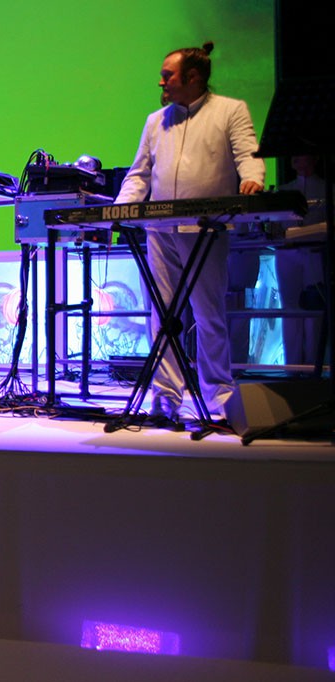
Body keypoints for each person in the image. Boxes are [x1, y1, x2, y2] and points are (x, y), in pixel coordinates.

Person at [114, 42, 266, 428]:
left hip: (205, 228)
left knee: (208, 313)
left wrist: (253, 179)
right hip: (160, 230)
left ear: (193, 77)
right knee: (162, 315)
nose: (161, 82)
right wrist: (120, 208)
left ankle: (219, 394)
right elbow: (139, 173)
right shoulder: (155, 121)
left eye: (168, 75)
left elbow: (248, 154)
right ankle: (165, 396)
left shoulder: (229, 110)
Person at [276, 154, 328, 367]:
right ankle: (292, 365)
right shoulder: (283, 190)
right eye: (294, 157)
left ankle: (314, 364)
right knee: (289, 308)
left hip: (316, 251)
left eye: (303, 155)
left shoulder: (326, 188)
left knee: (315, 306)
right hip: (287, 252)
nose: (297, 160)